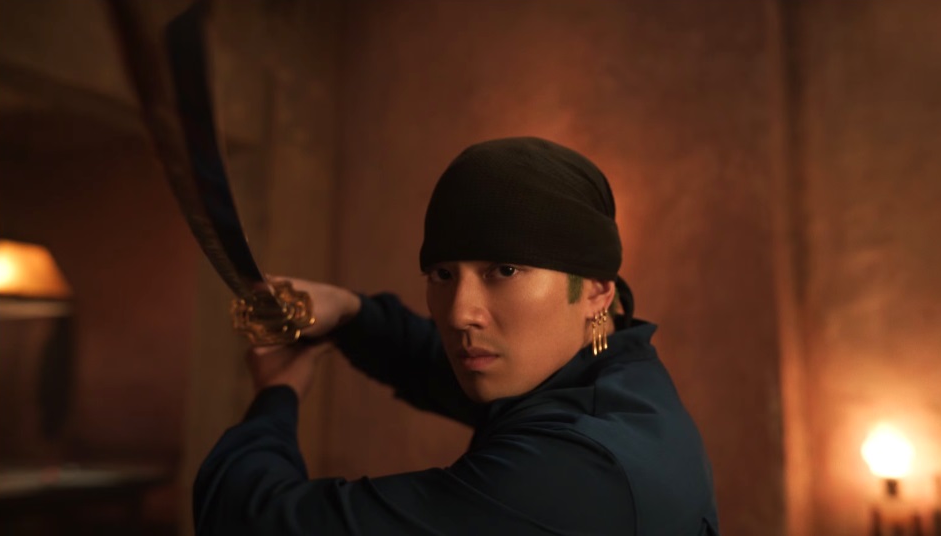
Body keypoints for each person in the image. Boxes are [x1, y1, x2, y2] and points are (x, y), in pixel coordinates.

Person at [193, 137, 720, 535]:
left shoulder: (575, 470)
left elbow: (251, 522)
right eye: (443, 274)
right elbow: (431, 361)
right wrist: (348, 311)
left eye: (505, 271)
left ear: (597, 292)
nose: (460, 314)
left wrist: (276, 395)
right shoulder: (607, 372)